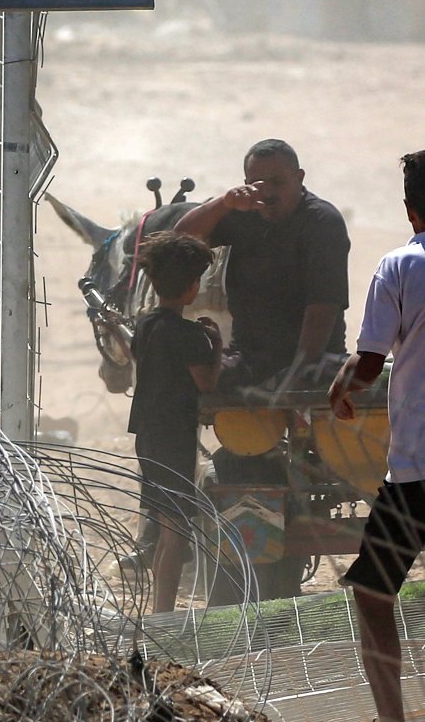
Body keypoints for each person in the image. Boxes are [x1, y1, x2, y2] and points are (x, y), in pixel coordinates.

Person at [327, 150, 425, 722]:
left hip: (416, 474)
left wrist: (341, 388)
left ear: (411, 206)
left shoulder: (402, 265)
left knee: (372, 593)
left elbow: (368, 361)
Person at [175, 139, 350, 389]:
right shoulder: (244, 212)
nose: (267, 192)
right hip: (249, 358)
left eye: (277, 182)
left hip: (316, 362)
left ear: (299, 178)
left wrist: (294, 380)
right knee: (180, 380)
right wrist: (224, 203)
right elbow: (180, 240)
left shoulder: (322, 223)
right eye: (258, 184)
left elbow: (322, 309)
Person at [129, 232, 223, 613]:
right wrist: (215, 346)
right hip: (174, 438)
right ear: (192, 286)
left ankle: (160, 610)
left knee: (166, 528)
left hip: (149, 435)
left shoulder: (146, 323)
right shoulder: (189, 335)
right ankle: (163, 615)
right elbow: (208, 383)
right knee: (176, 532)